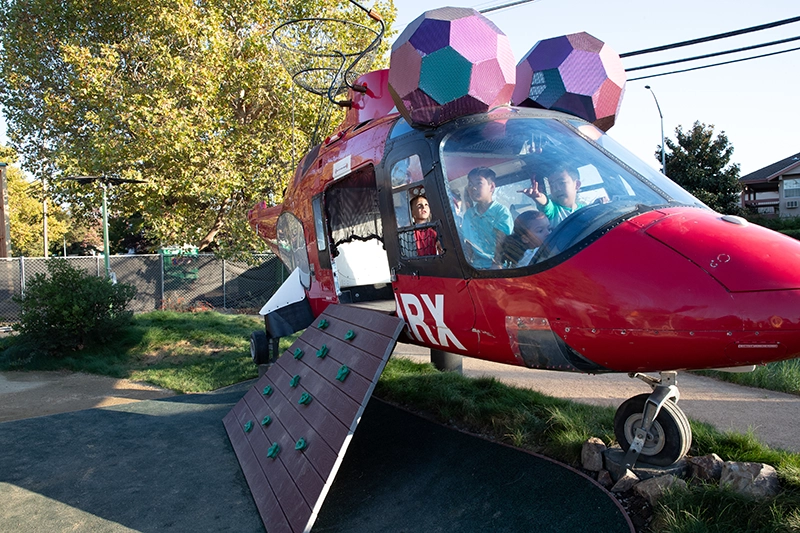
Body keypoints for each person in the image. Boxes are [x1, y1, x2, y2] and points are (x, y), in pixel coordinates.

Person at [461, 167, 513, 268]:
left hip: (499, 267)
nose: (473, 188)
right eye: (470, 184)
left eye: (478, 183)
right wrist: (467, 263)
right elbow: (468, 243)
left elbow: (502, 240)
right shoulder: (469, 215)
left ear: (492, 187)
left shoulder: (501, 212)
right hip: (476, 267)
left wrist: (497, 263)